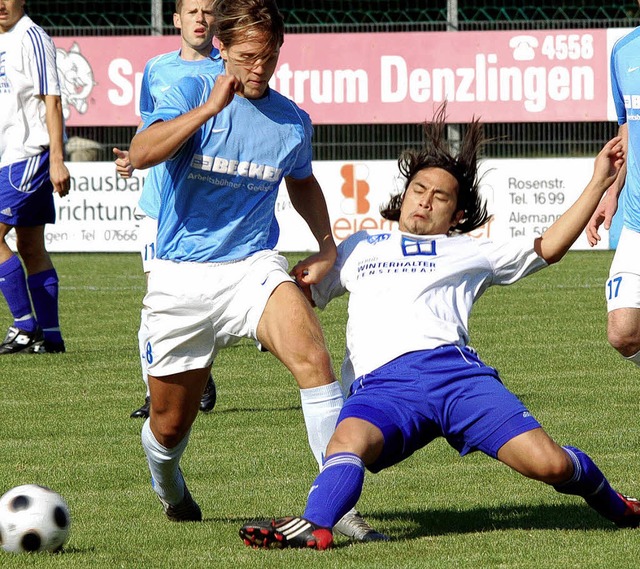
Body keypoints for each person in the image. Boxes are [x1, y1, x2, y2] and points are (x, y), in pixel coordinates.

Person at [239, 106, 640, 551]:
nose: (425, 201)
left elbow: (548, 246)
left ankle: (618, 506)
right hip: (383, 385)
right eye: (418, 190)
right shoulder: (359, 247)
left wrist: (599, 182)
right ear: (404, 194)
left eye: (440, 197)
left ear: (457, 213)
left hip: (457, 378)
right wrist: (291, 278)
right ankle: (315, 525)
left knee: (549, 465)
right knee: (346, 441)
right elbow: (300, 298)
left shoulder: (471, 252)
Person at [127, 0, 384, 541]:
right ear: (221, 49)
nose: (259, 68)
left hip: (252, 267)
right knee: (169, 427)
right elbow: (143, 150)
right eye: (247, 56)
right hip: (181, 275)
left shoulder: (291, 119)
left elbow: (301, 179)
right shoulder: (190, 90)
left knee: (315, 359)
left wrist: (325, 246)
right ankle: (168, 483)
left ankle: (337, 508)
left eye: (269, 57)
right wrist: (208, 109)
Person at [114, 0, 220, 419]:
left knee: (200, 299)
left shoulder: (227, 71)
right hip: (158, 205)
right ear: (176, 20)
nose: (200, 18)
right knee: (156, 297)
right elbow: (149, 126)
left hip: (198, 205)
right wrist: (132, 157)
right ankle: (155, 392)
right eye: (192, 11)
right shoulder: (157, 68)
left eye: (208, 11)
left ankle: (197, 369)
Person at [0, 0, 69, 355]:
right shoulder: (4, 40)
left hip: (27, 157)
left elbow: (52, 100)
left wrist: (56, 159)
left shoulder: (32, 36)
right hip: (9, 158)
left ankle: (25, 327)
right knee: (29, 246)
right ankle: (51, 337)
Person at [585, 15, 640, 368]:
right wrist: (610, 191)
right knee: (622, 331)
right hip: (636, 222)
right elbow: (626, 131)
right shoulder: (623, 52)